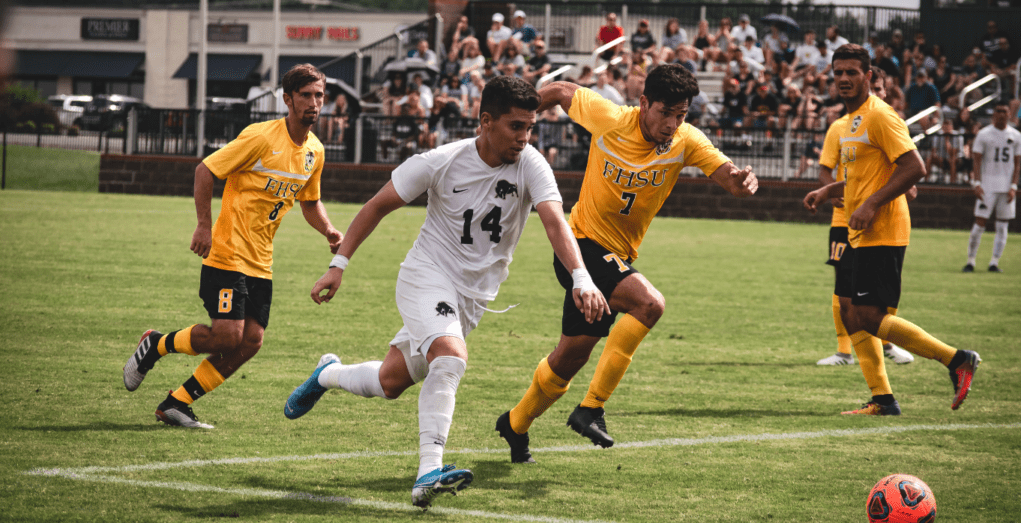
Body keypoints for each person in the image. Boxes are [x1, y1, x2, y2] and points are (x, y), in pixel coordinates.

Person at [283, 76, 609, 507]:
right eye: (515, 126)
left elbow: (555, 222)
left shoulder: (531, 163)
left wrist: (582, 277)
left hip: (473, 298)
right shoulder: (440, 160)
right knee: (451, 357)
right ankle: (428, 473)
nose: (524, 137)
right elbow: (377, 206)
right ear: (485, 121)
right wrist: (337, 265)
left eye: (530, 127)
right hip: (427, 275)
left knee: (391, 381)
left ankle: (327, 373)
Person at [495, 64, 758, 462]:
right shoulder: (612, 119)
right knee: (649, 303)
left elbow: (725, 175)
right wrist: (523, 118)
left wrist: (739, 183)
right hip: (580, 246)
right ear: (643, 103)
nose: (672, 123)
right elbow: (563, 90)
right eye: (665, 112)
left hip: (615, 257)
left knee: (568, 360)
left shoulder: (686, 140)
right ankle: (591, 408)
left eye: (681, 115)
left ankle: (515, 424)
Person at [122, 64, 342, 429]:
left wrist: (330, 231)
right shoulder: (260, 136)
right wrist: (204, 225)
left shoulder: (315, 152)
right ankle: (156, 344)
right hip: (227, 252)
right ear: (287, 99)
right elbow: (205, 170)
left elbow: (309, 201)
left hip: (261, 261)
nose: (314, 103)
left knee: (251, 341)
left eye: (319, 95)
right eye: (305, 95)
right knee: (227, 335)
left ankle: (177, 403)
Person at [803, 44, 981, 416]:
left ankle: (957, 359)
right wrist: (827, 191)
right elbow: (861, 179)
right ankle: (882, 399)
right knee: (851, 311)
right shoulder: (850, 121)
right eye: (838, 73)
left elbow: (915, 169)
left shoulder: (881, 116)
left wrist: (870, 205)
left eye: (852, 72)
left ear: (869, 76)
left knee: (868, 315)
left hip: (883, 230)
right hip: (858, 232)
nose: (844, 79)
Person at [815, 65, 915, 370]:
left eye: (881, 90)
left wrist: (908, 187)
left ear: (884, 91)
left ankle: (886, 343)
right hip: (844, 220)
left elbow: (907, 168)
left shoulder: (889, 122)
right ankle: (844, 350)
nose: (877, 95)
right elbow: (826, 168)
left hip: (881, 219)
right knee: (844, 287)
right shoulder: (840, 127)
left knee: (882, 288)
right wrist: (831, 194)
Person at [963, 100, 1021, 273]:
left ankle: (994, 262)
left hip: (1006, 187)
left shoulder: (1016, 136)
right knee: (979, 223)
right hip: (987, 185)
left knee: (1003, 225)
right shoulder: (984, 134)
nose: (1002, 114)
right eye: (998, 111)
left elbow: (1017, 163)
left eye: (1004, 111)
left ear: (1009, 114)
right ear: (993, 114)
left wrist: (1013, 186)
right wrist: (977, 183)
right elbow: (976, 160)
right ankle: (971, 261)